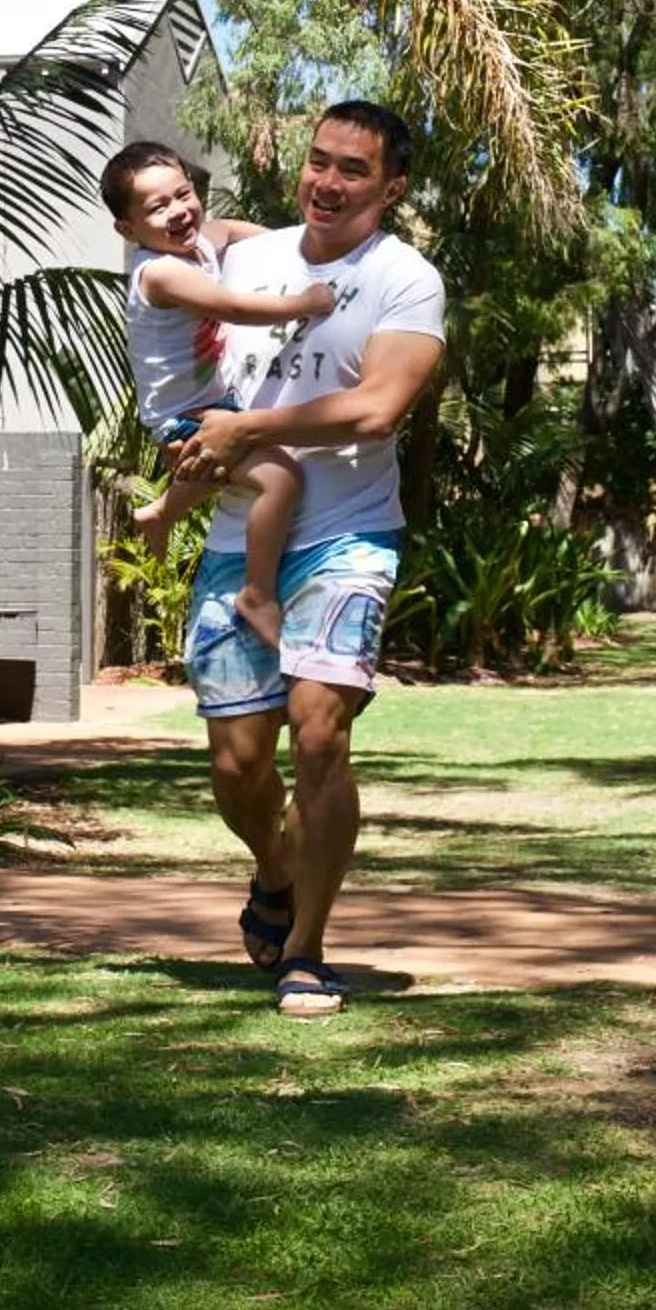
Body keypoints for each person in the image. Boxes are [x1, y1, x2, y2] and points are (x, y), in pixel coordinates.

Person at [168, 102, 445, 1019]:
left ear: (392, 187)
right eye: (318, 162)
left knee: (319, 730)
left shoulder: (407, 281)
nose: (327, 181)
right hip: (237, 535)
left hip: (348, 536)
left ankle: (308, 951)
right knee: (238, 767)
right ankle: (275, 868)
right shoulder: (249, 260)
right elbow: (169, 244)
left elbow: (375, 410)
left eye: (353, 170)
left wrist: (249, 426)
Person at [100, 141, 338, 645]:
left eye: (183, 194)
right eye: (157, 208)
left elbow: (234, 232)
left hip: (214, 405)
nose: (179, 211)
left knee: (217, 470)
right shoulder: (160, 272)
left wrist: (292, 249)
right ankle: (257, 593)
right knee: (281, 481)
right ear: (128, 230)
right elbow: (234, 307)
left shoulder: (201, 241)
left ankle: (160, 512)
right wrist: (306, 299)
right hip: (182, 418)